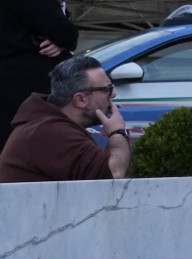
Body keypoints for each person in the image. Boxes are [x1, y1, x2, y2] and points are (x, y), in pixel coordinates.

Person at [1, 54, 132, 184]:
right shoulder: (51, 132)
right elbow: (113, 178)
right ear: (81, 100)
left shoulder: (49, 124)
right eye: (106, 89)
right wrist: (118, 133)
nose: (113, 94)